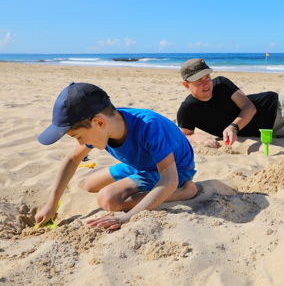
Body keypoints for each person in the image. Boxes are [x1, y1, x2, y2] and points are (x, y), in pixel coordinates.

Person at [35, 82, 197, 229]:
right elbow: (72, 159)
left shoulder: (150, 126)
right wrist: (52, 203)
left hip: (175, 169)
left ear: (99, 122)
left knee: (108, 199)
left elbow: (169, 179)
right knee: (88, 184)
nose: (79, 143)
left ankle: (184, 192)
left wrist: (126, 218)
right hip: (140, 164)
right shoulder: (104, 126)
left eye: (78, 137)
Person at [176, 58, 284, 147]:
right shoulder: (188, 109)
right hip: (273, 129)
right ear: (186, 85)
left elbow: (249, 107)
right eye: (199, 82)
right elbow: (183, 135)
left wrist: (234, 126)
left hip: (278, 104)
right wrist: (196, 138)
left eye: (207, 78)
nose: (206, 84)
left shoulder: (221, 84)